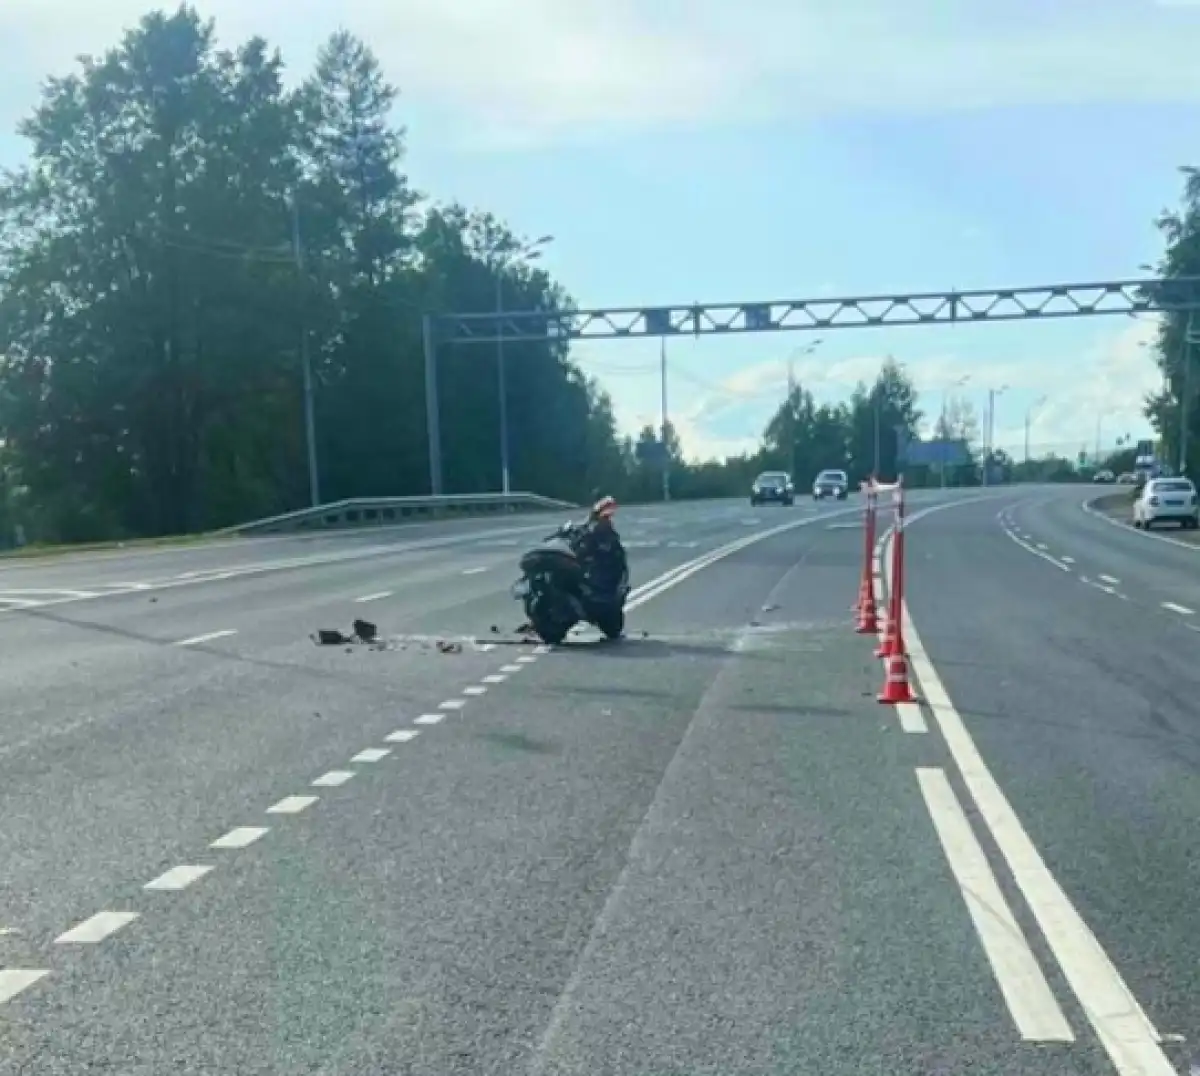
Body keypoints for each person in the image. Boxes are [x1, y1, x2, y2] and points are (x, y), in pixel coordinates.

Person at [576, 494, 628, 601]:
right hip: (597, 570)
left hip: (604, 578)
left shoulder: (610, 538)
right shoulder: (594, 529)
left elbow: (619, 562)